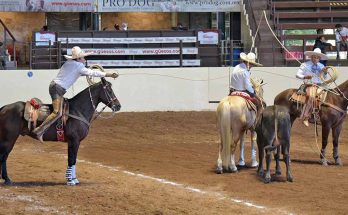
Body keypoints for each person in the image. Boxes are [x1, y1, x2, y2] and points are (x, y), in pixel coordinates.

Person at [33, 46, 118, 142]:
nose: (84, 59)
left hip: (56, 88)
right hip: (57, 89)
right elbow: (92, 73)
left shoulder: (70, 63)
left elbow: (86, 72)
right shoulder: (78, 66)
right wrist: (109, 74)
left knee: (59, 110)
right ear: (78, 58)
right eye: (82, 58)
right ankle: (39, 130)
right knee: (57, 112)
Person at [296, 48, 328, 126]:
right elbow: (297, 75)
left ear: (319, 58)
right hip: (309, 85)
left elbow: (325, 78)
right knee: (311, 96)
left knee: (329, 97)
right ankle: (306, 116)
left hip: (320, 85)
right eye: (314, 57)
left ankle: (321, 116)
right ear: (311, 57)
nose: (315, 59)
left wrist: (325, 73)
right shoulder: (305, 65)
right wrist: (305, 77)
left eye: (317, 57)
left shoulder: (322, 66)